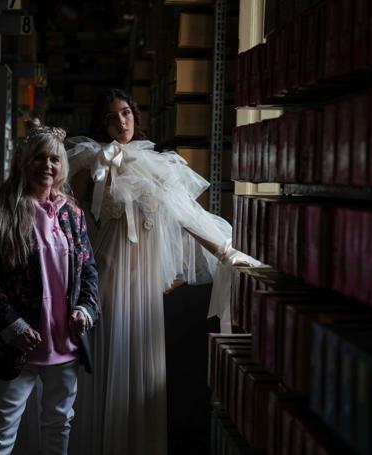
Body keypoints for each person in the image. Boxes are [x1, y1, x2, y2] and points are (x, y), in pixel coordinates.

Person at [66, 88, 257, 455]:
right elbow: (72, 224)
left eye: (125, 113)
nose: (121, 122)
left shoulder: (158, 162)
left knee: (140, 358)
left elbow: (188, 217)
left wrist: (224, 252)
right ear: (101, 123)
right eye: (111, 116)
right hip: (108, 272)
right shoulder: (92, 161)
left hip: (142, 281)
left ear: (135, 115)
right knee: (107, 356)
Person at [0, 120, 100, 455]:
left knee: (59, 425)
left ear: (62, 167)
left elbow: (89, 272)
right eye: (39, 158)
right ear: (23, 162)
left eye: (54, 160)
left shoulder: (72, 214)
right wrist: (13, 324)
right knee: (1, 429)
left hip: (64, 343)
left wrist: (86, 309)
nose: (47, 165)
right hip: (17, 345)